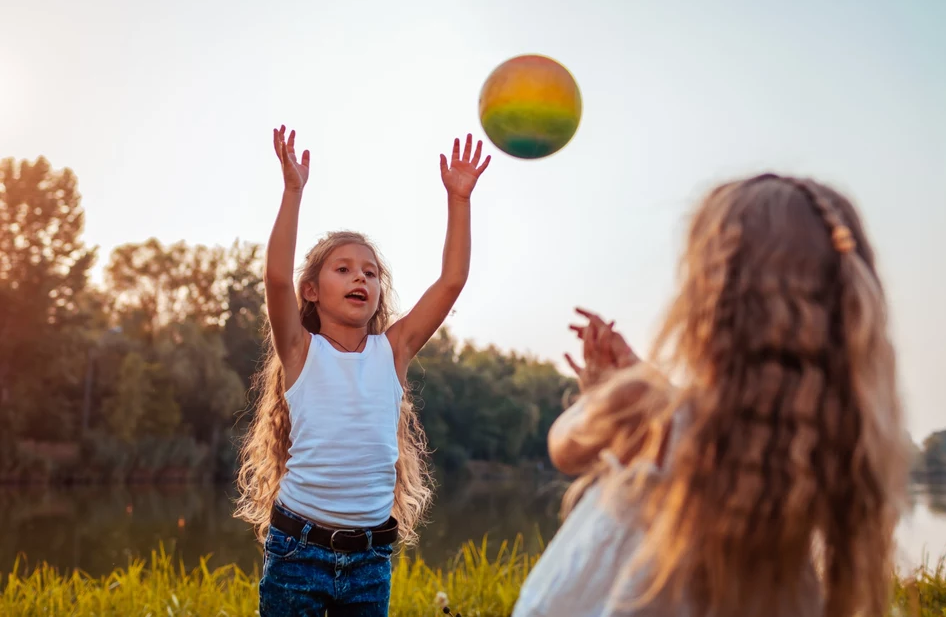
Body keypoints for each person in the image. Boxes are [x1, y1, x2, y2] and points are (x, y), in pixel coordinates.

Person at [513, 173, 910, 617]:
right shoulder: (830, 443)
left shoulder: (648, 410)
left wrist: (604, 390)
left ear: (710, 304)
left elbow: (564, 447)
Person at [234, 125, 490, 616]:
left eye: (370, 272)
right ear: (311, 290)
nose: (361, 278)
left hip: (371, 557)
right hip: (297, 551)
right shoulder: (300, 350)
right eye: (344, 269)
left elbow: (452, 281)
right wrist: (293, 192)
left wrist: (459, 200)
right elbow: (273, 276)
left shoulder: (393, 351)